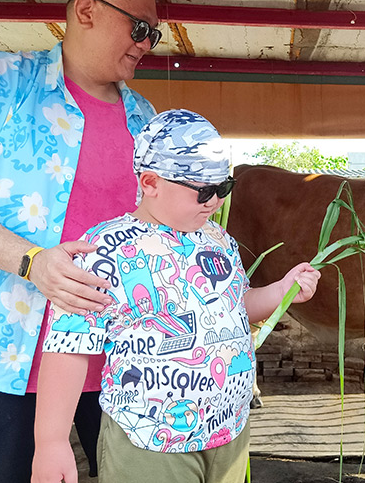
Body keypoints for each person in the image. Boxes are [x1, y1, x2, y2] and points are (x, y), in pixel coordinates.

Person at [31, 109, 321, 483]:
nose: (215, 201)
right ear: (150, 182)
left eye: (224, 188)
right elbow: (70, 346)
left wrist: (282, 290)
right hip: (149, 440)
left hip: (227, 432)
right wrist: (51, 441)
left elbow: (235, 308)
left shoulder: (219, 240)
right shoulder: (105, 250)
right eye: (203, 190)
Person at [0, 0, 159, 481]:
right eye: (139, 28)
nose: (145, 43)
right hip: (10, 358)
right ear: (86, 10)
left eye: (153, 35)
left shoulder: (146, 118)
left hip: (127, 362)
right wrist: (33, 262)